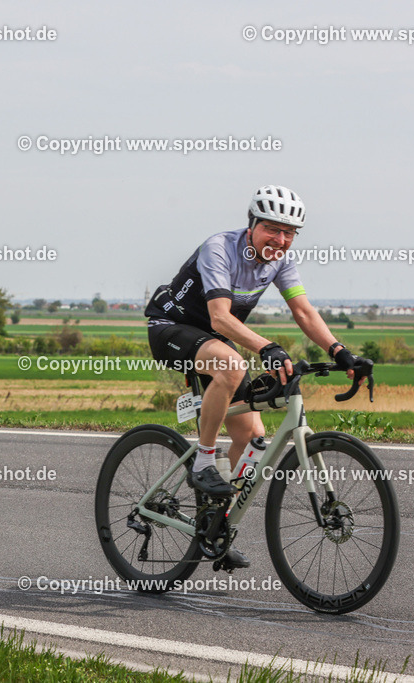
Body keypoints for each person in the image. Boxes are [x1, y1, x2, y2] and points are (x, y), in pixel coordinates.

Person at [144, 185, 360, 568]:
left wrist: (340, 352)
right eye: (272, 229)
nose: (280, 239)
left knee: (253, 440)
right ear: (252, 226)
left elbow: (305, 312)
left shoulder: (279, 261)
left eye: (289, 232)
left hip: (213, 343)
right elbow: (220, 318)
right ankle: (203, 461)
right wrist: (268, 348)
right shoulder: (219, 248)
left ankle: (215, 527)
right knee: (232, 365)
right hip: (171, 329)